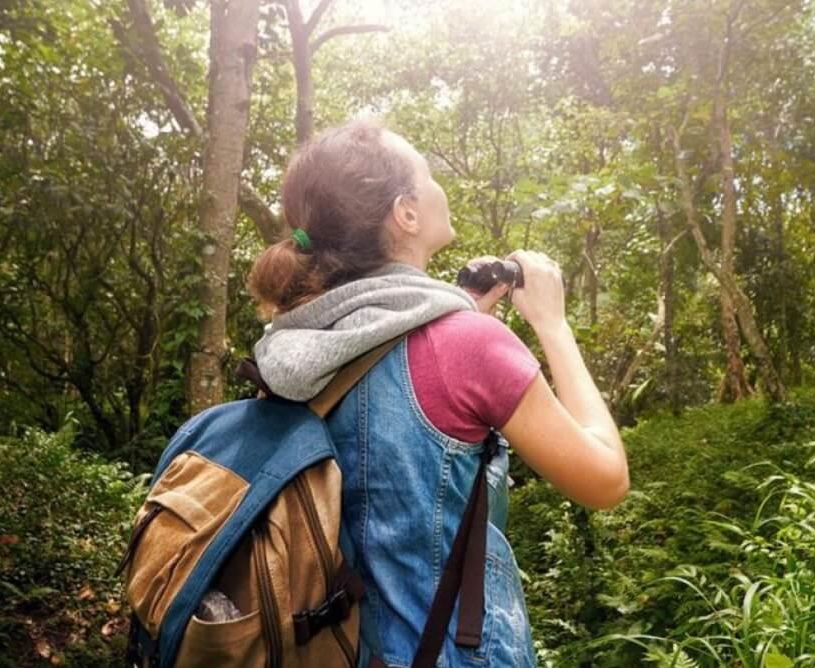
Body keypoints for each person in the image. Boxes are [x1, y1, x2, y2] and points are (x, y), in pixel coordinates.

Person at [246, 118, 628, 667]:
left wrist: (457, 312)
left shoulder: (290, 348)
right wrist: (553, 325)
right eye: (427, 173)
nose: (437, 185)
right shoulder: (467, 346)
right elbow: (606, 478)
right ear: (406, 213)